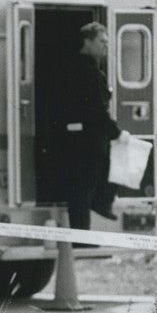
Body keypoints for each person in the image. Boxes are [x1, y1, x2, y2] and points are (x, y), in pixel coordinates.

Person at [56, 22, 123, 235]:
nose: (106, 46)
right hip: (88, 141)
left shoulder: (74, 67)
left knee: (83, 190)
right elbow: (96, 109)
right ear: (88, 41)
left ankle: (92, 219)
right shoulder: (88, 71)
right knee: (83, 190)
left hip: (79, 139)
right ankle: (84, 233)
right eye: (102, 41)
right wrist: (116, 133)